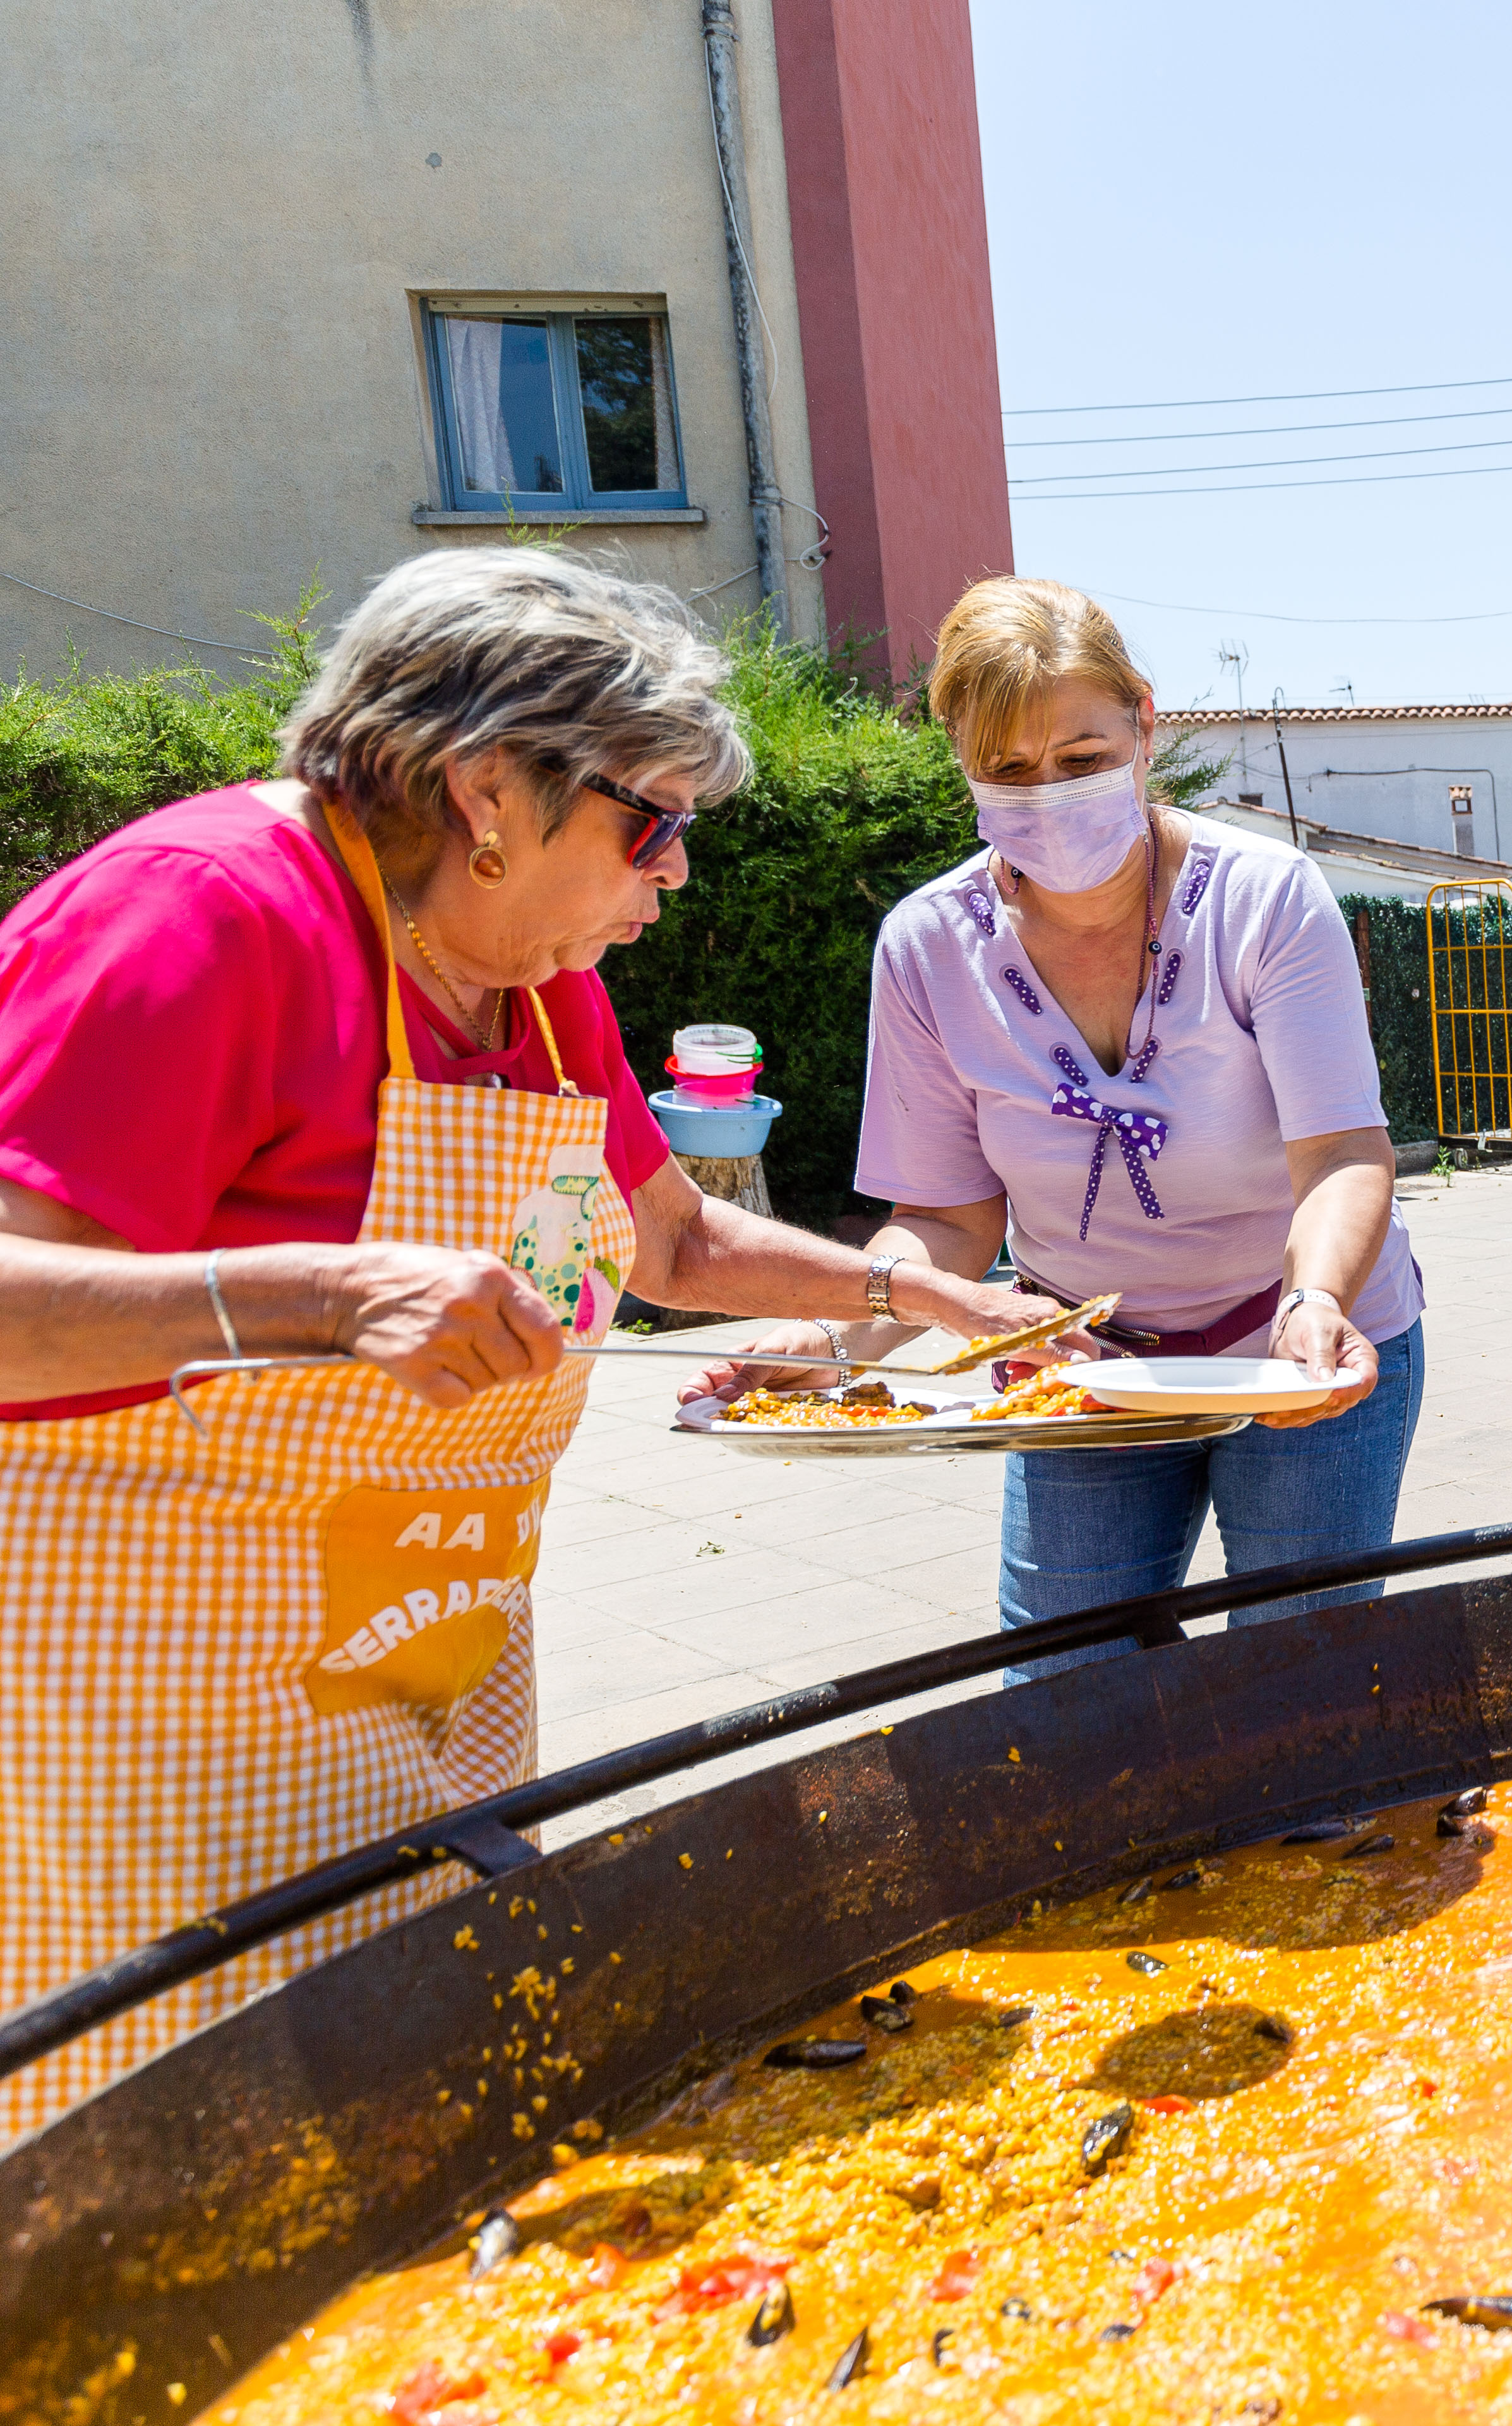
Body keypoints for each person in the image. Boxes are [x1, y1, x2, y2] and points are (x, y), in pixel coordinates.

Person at [0, 548, 1057, 2135]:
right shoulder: (202, 916)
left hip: (430, 1675)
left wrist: (913, 1294)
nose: (677, 874)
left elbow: (676, 1242)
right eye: (654, 822)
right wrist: (319, 1294)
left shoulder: (541, 989)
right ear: (487, 789)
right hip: (154, 1744)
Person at [704, 579, 1424, 1679]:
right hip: (1081, 1362)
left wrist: (1316, 1301)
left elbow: (1339, 1152)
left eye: (1083, 760)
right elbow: (942, 1219)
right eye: (1009, 771)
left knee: (1298, 1686)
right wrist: (833, 1337)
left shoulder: (1266, 899)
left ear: (1145, 720)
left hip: (1300, 1352)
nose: (1051, 795)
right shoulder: (927, 947)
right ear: (960, 760)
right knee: (1063, 1688)